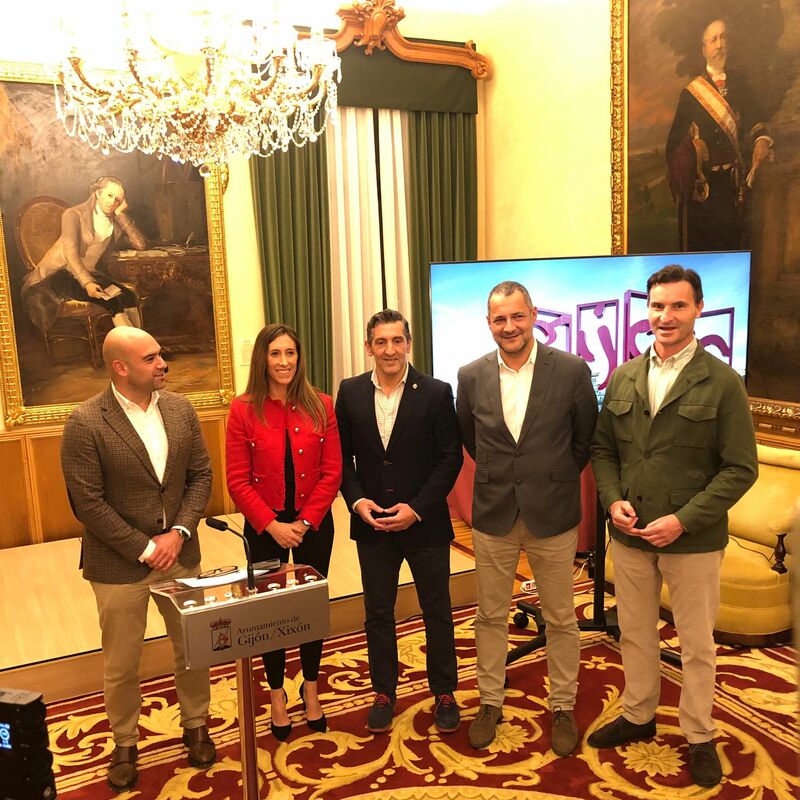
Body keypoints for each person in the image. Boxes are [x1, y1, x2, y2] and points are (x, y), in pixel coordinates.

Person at [589, 265, 758, 788]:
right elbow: (603, 450)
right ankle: (638, 715)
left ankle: (699, 734)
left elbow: (740, 469)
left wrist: (683, 521)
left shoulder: (724, 382)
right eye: (658, 306)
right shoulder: (623, 376)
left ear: (698, 310)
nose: (666, 316)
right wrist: (613, 501)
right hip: (630, 537)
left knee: (696, 645)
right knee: (635, 633)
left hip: (693, 542)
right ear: (647, 310)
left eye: (678, 306)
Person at [60, 327, 215, 793]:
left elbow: (201, 476)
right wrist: (147, 548)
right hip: (118, 565)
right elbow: (87, 503)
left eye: (160, 354)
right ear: (121, 368)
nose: (163, 362)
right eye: (151, 358)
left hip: (180, 556)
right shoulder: (86, 421)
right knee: (122, 663)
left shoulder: (181, 409)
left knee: (193, 649)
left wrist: (178, 533)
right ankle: (125, 743)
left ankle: (196, 725)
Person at [456, 280, 598, 756]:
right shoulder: (470, 375)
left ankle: (563, 706)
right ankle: (490, 702)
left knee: (560, 616)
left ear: (534, 315)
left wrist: (551, 477)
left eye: (517, 316)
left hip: (553, 513)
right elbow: (471, 439)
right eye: (500, 319)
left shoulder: (571, 370)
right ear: (488, 323)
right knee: (490, 615)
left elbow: (584, 438)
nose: (509, 326)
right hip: (493, 513)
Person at [335, 309, 463, 735]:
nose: (389, 349)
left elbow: (449, 459)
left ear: (408, 343)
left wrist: (417, 508)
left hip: (424, 524)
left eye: (396, 340)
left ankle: (444, 692)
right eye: (381, 342)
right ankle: (383, 692)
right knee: (378, 613)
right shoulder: (350, 391)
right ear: (368, 347)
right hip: (372, 525)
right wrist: (358, 502)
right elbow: (342, 459)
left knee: (437, 611)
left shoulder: (436, 392)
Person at [226, 323, 342, 740]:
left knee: (310, 609)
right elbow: (237, 481)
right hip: (264, 528)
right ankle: (276, 694)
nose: (284, 361)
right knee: (270, 613)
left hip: (314, 525)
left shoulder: (321, 405)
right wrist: (273, 525)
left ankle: (310, 687)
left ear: (299, 357)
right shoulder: (242, 410)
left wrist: (305, 522)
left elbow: (332, 472)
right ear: (262, 358)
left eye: (290, 353)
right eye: (275, 353)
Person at [665, 19, 773, 251]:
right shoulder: (691, 94)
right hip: (704, 190)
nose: (720, 44)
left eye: (723, 37)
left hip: (735, 186)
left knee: (736, 245)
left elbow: (756, 119)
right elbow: (673, 145)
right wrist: (692, 149)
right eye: (713, 40)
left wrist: (761, 140)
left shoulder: (741, 82)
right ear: (704, 49)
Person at [23, 176, 146, 334]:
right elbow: (70, 253)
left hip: (89, 273)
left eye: (117, 199)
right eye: (109, 195)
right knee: (112, 301)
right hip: (59, 274)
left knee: (128, 296)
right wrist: (87, 283)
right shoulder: (73, 214)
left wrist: (121, 214)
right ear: (98, 193)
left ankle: (141, 342)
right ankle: (129, 345)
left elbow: (140, 244)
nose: (112, 202)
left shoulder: (114, 222)